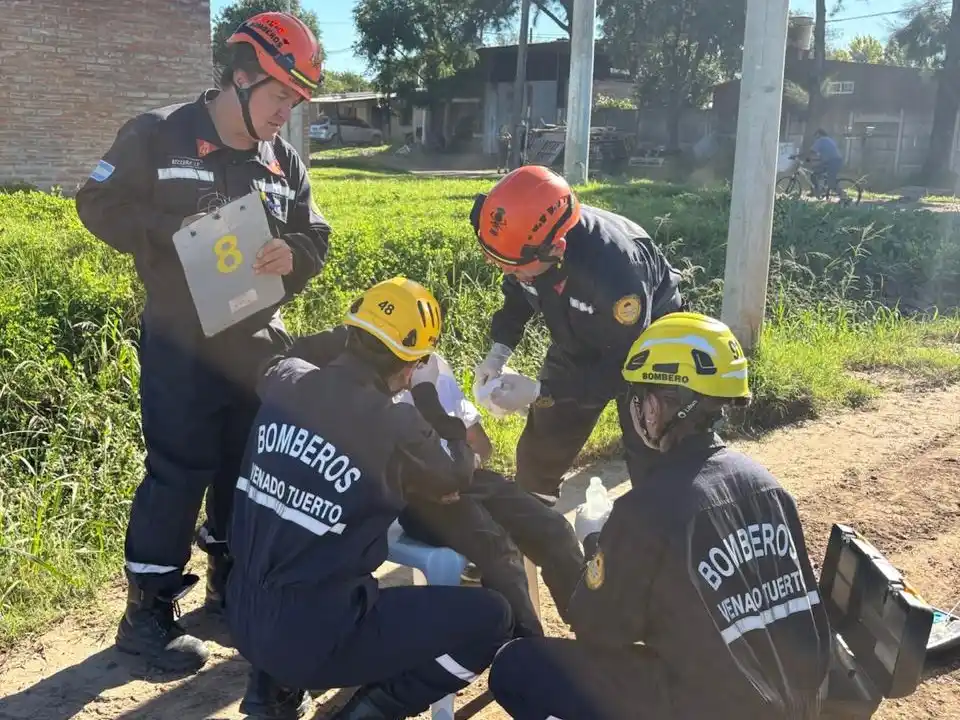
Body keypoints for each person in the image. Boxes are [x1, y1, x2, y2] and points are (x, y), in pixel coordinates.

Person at [74, 11, 331, 673]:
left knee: (246, 471)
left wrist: (294, 255)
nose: (286, 113)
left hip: (257, 341)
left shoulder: (282, 160)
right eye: (280, 97)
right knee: (179, 472)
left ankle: (227, 593)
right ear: (241, 78)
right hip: (181, 339)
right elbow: (95, 202)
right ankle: (147, 617)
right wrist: (173, 228)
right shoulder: (158, 133)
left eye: (296, 102)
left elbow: (316, 235)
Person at [487, 312, 833, 719]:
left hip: (707, 708)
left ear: (656, 407)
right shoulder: (769, 487)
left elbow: (599, 629)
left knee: (518, 667)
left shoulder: (646, 509)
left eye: (638, 397)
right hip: (795, 704)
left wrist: (594, 542)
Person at [226, 277, 514, 720]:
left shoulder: (285, 379)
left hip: (242, 615)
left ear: (350, 333)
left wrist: (350, 339)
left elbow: (282, 356)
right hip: (314, 638)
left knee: (291, 536)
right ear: (411, 366)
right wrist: (427, 397)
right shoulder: (394, 424)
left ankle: (271, 692)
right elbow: (457, 472)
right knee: (491, 619)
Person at [284, 327, 585, 638]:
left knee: (555, 530)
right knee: (499, 553)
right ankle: (528, 649)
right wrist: (431, 476)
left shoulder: (432, 368)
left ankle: (593, 633)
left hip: (460, 477)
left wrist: (464, 462)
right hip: (411, 496)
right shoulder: (352, 383)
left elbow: (480, 443)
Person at [470, 164, 684, 505]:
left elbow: (621, 368)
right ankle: (532, 525)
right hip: (577, 338)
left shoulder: (616, 272)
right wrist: (499, 351)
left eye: (513, 265)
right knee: (539, 454)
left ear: (556, 248)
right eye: (501, 262)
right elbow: (517, 295)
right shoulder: (527, 248)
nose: (507, 271)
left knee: (654, 451)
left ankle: (657, 525)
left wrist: (540, 391)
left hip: (647, 350)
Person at [808, 128, 845, 200]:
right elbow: (824, 154)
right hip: (835, 161)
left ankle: (844, 196)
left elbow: (812, 151)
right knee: (814, 174)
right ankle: (818, 190)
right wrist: (814, 160)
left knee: (831, 182)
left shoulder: (821, 140)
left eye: (816, 135)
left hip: (833, 162)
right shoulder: (829, 139)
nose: (815, 137)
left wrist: (803, 157)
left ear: (819, 134)